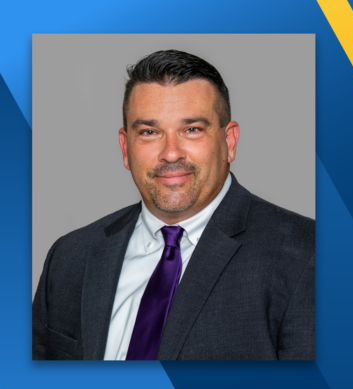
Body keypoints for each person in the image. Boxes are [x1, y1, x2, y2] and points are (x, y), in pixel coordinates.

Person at [33, 49, 315, 360]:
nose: (170, 153)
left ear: (229, 142)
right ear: (126, 148)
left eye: (192, 129)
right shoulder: (70, 257)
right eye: (150, 132)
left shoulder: (307, 256)